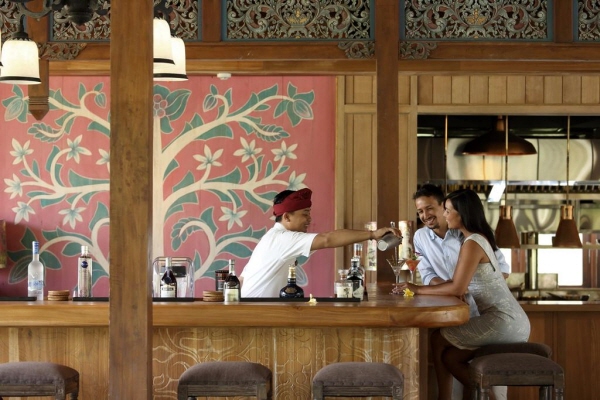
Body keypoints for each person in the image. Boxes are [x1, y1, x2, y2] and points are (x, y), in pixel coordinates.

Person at [399, 189, 530, 400]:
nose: (445, 214)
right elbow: (453, 283)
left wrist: (417, 289)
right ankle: (481, 396)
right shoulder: (474, 239)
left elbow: (457, 288)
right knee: (451, 357)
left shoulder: (472, 242)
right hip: (507, 320)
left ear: (462, 213)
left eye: (447, 210)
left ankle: (463, 398)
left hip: (502, 320)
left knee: (438, 339)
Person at [240, 188, 400, 297]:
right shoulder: (282, 238)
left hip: (257, 310)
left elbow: (241, 280)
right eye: (305, 214)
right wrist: (372, 234)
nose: (309, 219)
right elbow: (326, 239)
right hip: (256, 313)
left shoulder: (272, 238)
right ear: (287, 217)